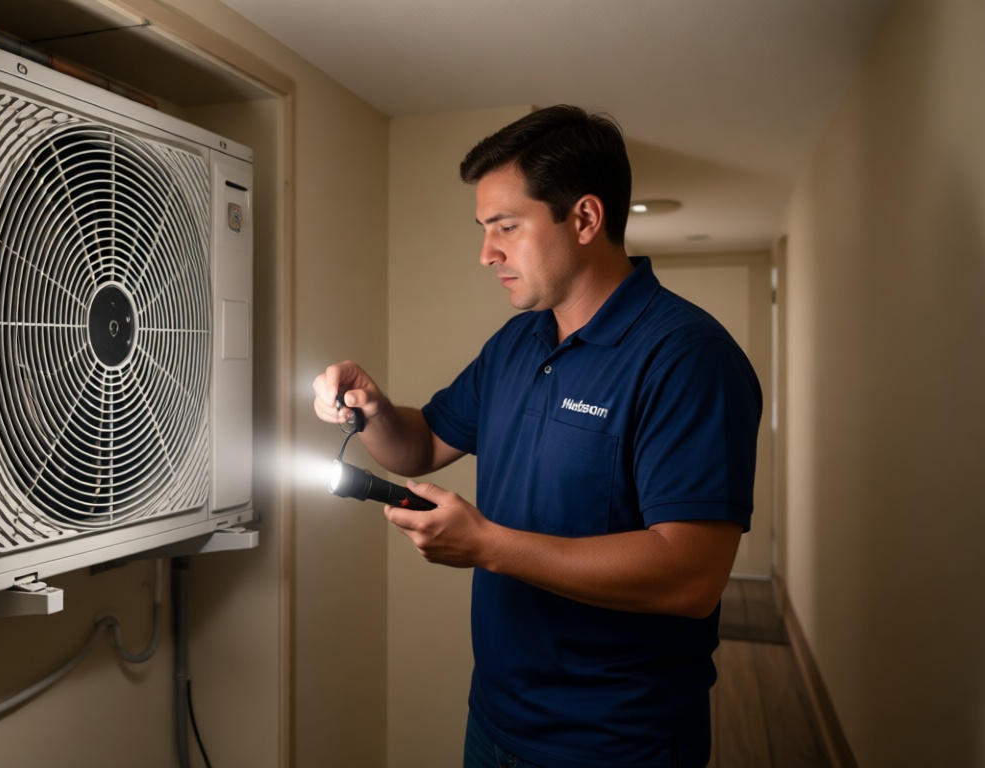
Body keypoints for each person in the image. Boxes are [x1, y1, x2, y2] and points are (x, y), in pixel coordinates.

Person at [312, 105, 762, 768]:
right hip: (495, 718)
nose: (486, 253)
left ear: (584, 218)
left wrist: (489, 546)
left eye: (506, 227)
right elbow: (423, 443)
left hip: (613, 743)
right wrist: (374, 409)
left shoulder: (688, 358)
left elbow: (691, 577)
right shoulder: (517, 343)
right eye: (483, 229)